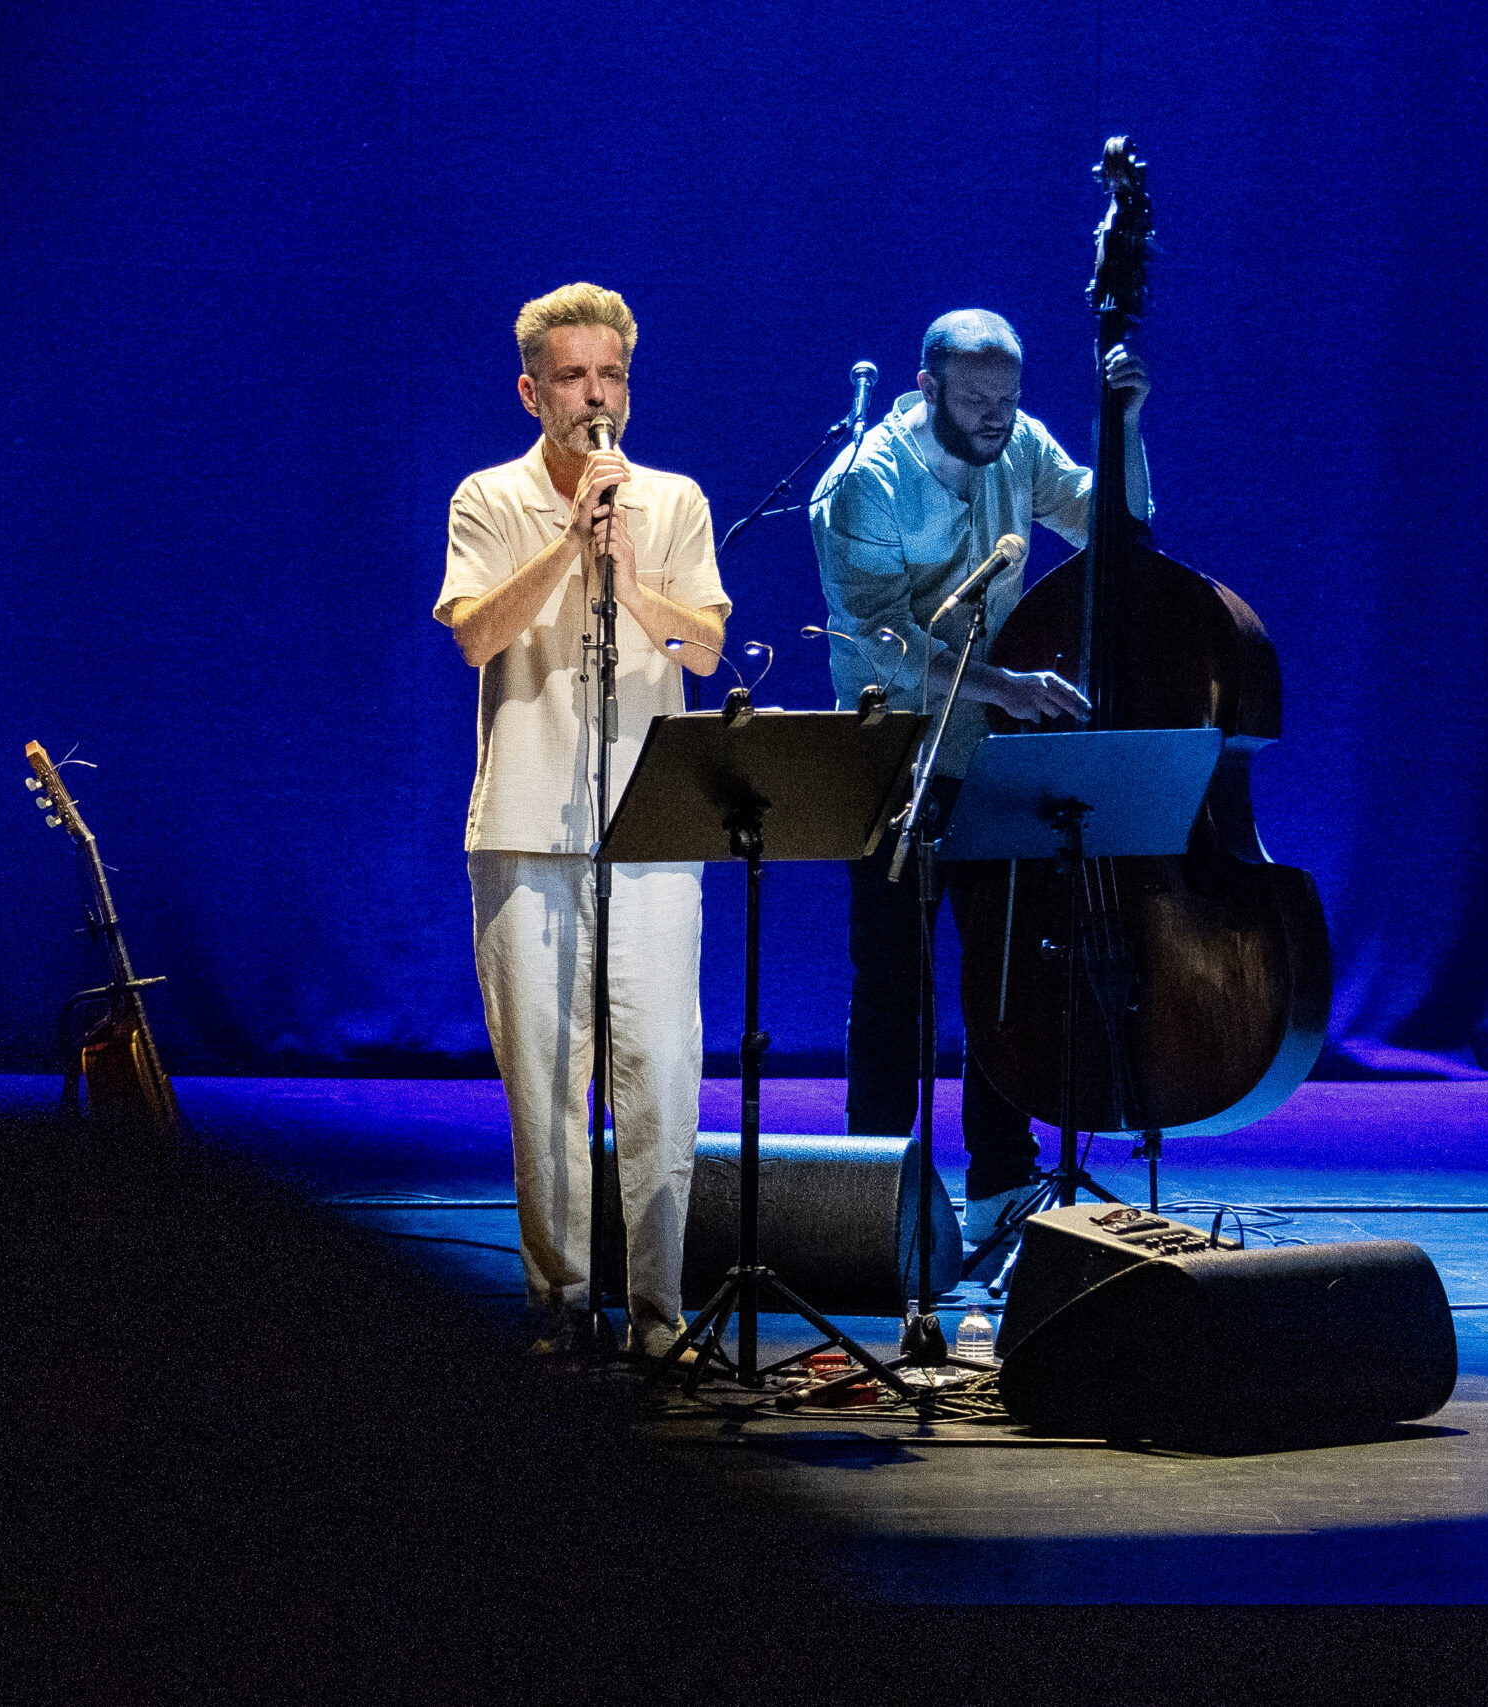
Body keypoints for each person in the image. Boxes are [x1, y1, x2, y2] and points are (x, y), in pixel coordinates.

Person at [434, 283, 732, 1357]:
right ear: (530, 392)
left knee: (659, 1072)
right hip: (522, 828)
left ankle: (658, 1315)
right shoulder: (486, 497)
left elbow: (700, 648)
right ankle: (558, 1311)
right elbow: (473, 637)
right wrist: (567, 544)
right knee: (546, 1089)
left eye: (609, 375)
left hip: (652, 831)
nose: (593, 395)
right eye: (571, 377)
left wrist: (626, 575)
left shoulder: (674, 500)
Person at [811, 308, 1150, 1245]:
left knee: (1005, 983)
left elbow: (1119, 538)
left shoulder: (1023, 446)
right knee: (892, 987)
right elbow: (877, 635)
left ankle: (1004, 1185)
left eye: (1009, 396)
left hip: (995, 763)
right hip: (896, 762)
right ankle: (873, 1197)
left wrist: (1121, 428)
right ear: (928, 390)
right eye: (976, 398)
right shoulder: (864, 484)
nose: (998, 416)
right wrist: (1003, 682)